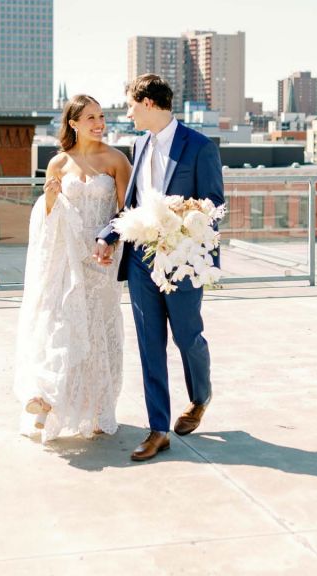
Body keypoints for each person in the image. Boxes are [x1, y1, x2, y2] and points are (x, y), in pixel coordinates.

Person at [95, 74, 225, 462]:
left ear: (148, 103)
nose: (128, 112)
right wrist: (109, 234)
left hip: (182, 259)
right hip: (140, 260)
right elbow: (131, 205)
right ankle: (158, 429)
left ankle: (200, 397)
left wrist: (183, 224)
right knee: (150, 345)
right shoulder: (138, 144)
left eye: (131, 106)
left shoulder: (200, 147)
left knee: (187, 338)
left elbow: (213, 205)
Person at [14, 95, 132, 442]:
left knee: (95, 331)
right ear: (73, 124)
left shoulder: (116, 160)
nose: (99, 123)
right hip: (64, 259)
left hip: (101, 261)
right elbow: (47, 216)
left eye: (101, 116)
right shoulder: (58, 164)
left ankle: (95, 407)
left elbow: (126, 213)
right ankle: (47, 396)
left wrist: (108, 241)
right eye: (91, 117)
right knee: (61, 322)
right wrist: (49, 199)